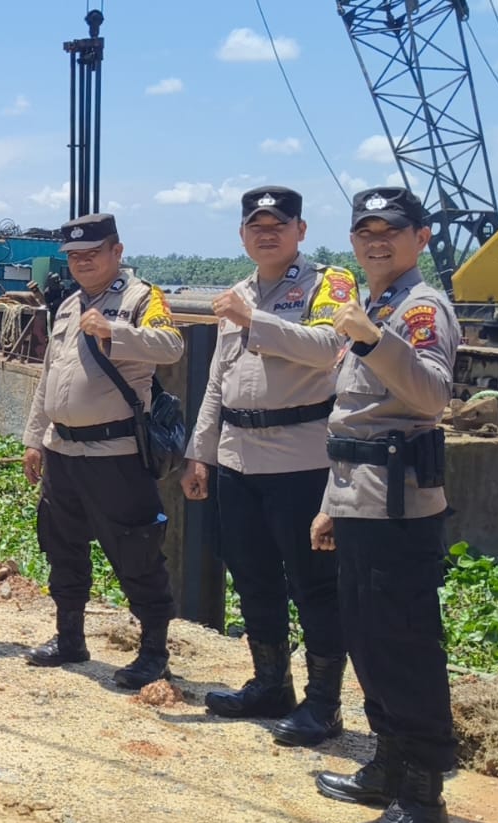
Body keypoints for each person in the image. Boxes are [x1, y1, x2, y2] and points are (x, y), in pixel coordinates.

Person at [310, 187, 460, 823]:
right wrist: (329, 504)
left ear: (420, 238)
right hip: (359, 498)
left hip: (398, 508)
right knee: (368, 640)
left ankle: (423, 800)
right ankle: (388, 766)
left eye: (390, 231)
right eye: (365, 231)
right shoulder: (374, 306)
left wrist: (374, 341)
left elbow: (430, 396)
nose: (376, 242)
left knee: (403, 646)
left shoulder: (420, 309)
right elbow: (350, 420)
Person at [182, 186, 353, 746]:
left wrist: (253, 319)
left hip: (301, 460)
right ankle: (270, 684)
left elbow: (328, 347)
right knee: (252, 575)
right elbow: (218, 380)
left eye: (278, 224)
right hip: (239, 458)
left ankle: (323, 704)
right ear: (242, 235)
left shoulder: (329, 284)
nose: (267, 233)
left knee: (314, 584)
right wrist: (201, 452)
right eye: (256, 225)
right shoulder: (237, 293)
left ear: (300, 230)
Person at [21, 212, 184, 689]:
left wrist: (116, 331)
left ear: (117, 251)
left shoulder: (141, 297)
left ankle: (153, 651)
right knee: (62, 547)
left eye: (92, 253)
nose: (82, 263)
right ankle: (69, 637)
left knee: (137, 551)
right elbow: (49, 375)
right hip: (62, 451)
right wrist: (34, 438)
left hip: (115, 453)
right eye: (74, 256)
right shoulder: (69, 304)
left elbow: (171, 346)